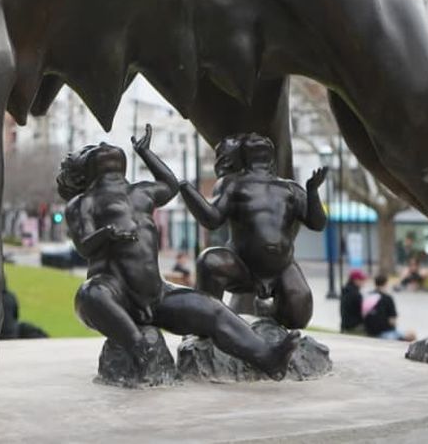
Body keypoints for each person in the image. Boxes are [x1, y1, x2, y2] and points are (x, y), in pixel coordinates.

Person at [60, 129, 298, 379]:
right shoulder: (83, 203)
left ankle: (268, 357)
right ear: (81, 173)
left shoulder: (142, 192)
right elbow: (84, 246)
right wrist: (106, 234)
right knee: (91, 293)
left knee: (212, 307)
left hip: (156, 295)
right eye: (89, 150)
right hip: (115, 291)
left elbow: (170, 186)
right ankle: (140, 349)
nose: (101, 144)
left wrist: (146, 153)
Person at [182, 133, 327, 329]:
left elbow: (317, 223)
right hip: (242, 266)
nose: (259, 137)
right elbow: (212, 219)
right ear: (243, 154)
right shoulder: (232, 184)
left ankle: (268, 314)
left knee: (298, 316)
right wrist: (186, 189)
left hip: (281, 268)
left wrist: (312, 192)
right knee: (210, 261)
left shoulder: (291, 189)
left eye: (264, 140)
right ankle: (205, 322)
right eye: (252, 140)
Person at [362, 273, 416, 342]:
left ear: (375, 283)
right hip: (384, 333)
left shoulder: (367, 295)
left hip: (369, 330)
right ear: (386, 284)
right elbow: (392, 320)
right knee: (412, 335)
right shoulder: (387, 298)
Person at [340, 269, 366, 334]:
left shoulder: (346, 291)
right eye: (362, 280)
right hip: (354, 326)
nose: (364, 282)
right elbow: (362, 312)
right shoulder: (355, 294)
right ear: (356, 280)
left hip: (345, 325)